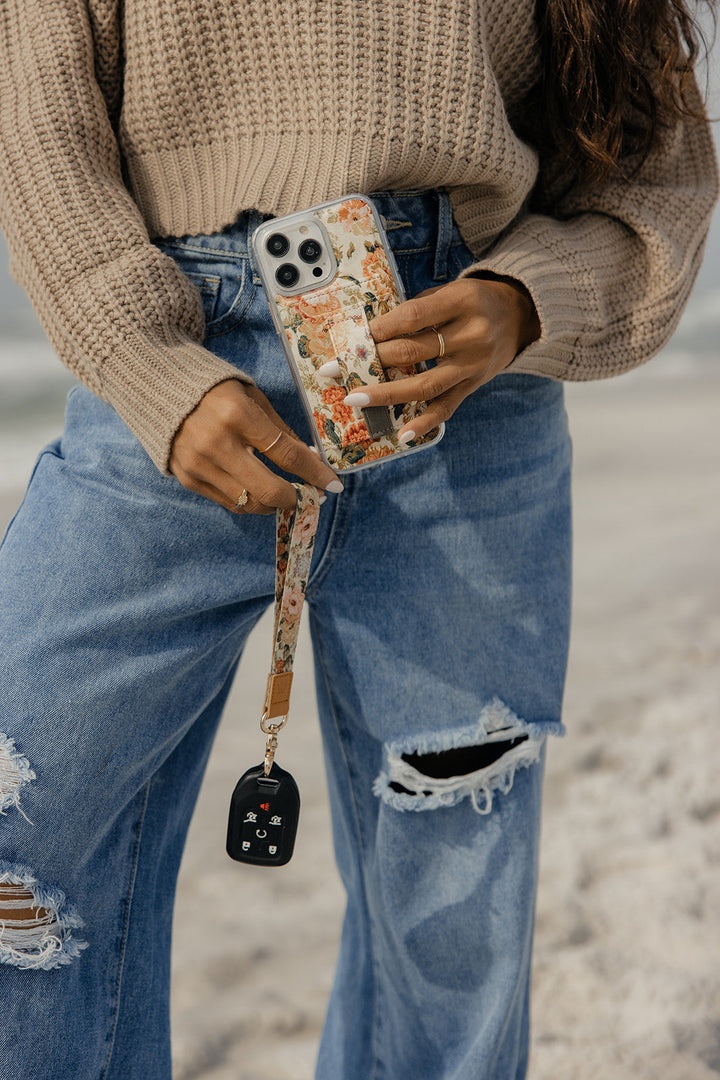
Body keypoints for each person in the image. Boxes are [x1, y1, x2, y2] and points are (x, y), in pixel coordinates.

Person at [0, 1, 716, 1077]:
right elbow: (37, 110)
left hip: (464, 380)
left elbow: (654, 173)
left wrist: (526, 300)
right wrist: (150, 368)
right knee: (20, 854)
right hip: (176, 368)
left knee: (454, 912)